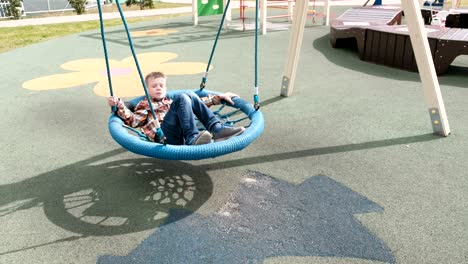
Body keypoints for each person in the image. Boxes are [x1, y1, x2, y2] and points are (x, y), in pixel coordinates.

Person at [107, 71, 245, 145]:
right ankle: (192, 138)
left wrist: (220, 96)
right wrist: (118, 104)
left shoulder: (171, 102)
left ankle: (217, 129)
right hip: (166, 136)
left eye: (161, 85)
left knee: (188, 96)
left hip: (180, 133)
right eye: (154, 86)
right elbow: (133, 120)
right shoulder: (144, 105)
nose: (158, 88)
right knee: (183, 97)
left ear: (166, 88)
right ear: (147, 90)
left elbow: (200, 102)